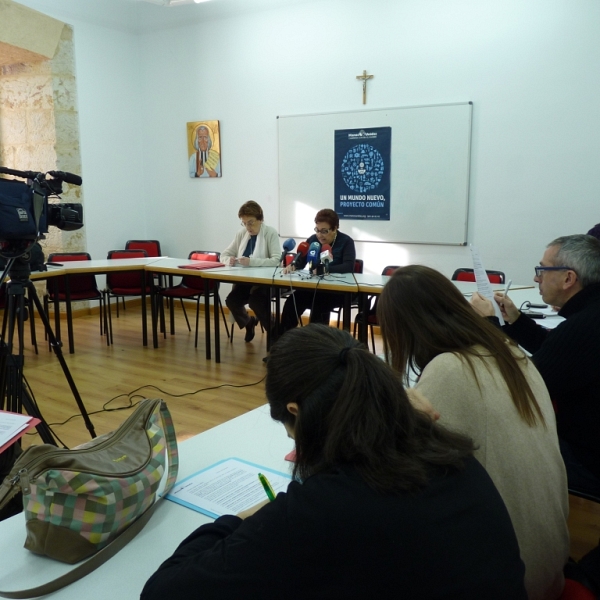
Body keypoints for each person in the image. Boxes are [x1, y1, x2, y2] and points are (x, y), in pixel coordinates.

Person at [141, 325, 527, 600]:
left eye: (289, 427)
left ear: (296, 410)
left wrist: (244, 518)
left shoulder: (325, 507)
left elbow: (163, 591)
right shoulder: (448, 453)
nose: (293, 439)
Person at [377, 265, 569, 600]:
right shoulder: (511, 352)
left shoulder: (449, 369)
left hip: (514, 578)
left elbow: (395, 473)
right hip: (552, 561)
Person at [471, 234, 600, 497]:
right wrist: (516, 321)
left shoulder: (581, 327)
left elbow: (525, 383)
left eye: (542, 269)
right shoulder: (589, 314)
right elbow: (557, 352)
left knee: (488, 445)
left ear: (568, 279)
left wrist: (488, 325)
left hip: (588, 462)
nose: (536, 278)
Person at [279, 208, 356, 332]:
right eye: (317, 230)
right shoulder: (313, 240)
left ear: (335, 228)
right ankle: (282, 340)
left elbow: (348, 266)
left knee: (319, 304)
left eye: (324, 231)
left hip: (336, 291)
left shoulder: (346, 242)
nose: (320, 235)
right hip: (314, 288)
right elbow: (302, 261)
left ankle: (316, 345)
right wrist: (293, 265)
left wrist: (324, 269)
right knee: (293, 301)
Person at [221, 201, 280, 342]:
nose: (248, 227)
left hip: (266, 282)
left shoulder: (270, 233)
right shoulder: (241, 234)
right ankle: (249, 322)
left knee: (256, 302)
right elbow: (224, 254)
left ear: (260, 219)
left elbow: (276, 260)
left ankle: (276, 336)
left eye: (251, 222)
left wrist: (251, 261)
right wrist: (228, 260)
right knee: (232, 301)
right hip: (246, 280)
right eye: (244, 223)